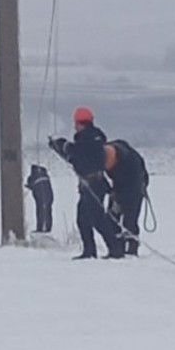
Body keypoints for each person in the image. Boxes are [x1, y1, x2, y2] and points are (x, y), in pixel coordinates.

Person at [50, 107, 124, 259]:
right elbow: (78, 156)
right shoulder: (94, 137)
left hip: (93, 184)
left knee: (96, 218)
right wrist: (63, 148)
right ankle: (91, 250)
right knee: (84, 218)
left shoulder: (87, 138)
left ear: (79, 123)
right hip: (93, 184)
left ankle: (114, 249)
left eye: (76, 123)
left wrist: (61, 145)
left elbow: (77, 154)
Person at [104, 139, 148, 257]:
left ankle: (132, 248)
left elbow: (137, 182)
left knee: (130, 221)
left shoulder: (132, 162)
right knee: (112, 220)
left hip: (135, 191)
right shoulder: (108, 153)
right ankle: (118, 248)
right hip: (119, 189)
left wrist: (119, 198)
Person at [25, 164, 54, 233]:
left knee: (42, 210)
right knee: (43, 210)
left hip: (42, 195)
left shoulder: (37, 176)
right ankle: (44, 228)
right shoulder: (41, 175)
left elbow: (32, 183)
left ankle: (43, 229)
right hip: (43, 195)